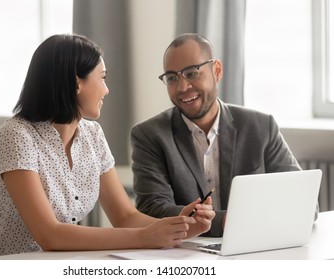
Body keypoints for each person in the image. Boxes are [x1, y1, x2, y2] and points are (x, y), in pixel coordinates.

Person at [0, 34, 215, 259]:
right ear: (76, 84)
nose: (106, 90)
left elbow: (124, 217)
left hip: (54, 265)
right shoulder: (17, 135)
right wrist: (146, 236)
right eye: (102, 78)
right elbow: (50, 235)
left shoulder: (93, 134)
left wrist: (181, 227)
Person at [130, 33, 306, 238]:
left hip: (256, 248)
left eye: (192, 73)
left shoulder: (261, 127)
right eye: (172, 78)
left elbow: (303, 202)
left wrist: (223, 221)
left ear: (217, 71)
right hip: (188, 254)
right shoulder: (149, 135)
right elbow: (153, 209)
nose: (182, 87)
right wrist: (225, 221)